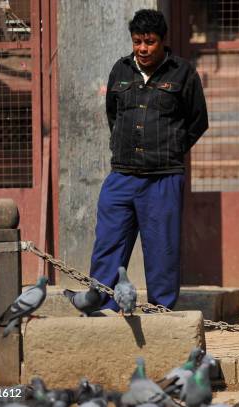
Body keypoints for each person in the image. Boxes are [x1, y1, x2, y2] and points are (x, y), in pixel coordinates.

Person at [89, 8, 208, 311]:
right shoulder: (120, 70)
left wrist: (172, 148)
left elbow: (198, 121)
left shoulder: (183, 73)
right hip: (122, 176)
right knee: (108, 243)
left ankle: (161, 310)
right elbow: (113, 114)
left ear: (162, 41)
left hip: (163, 178)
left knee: (162, 250)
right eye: (137, 41)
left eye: (149, 42)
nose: (142, 48)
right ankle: (102, 306)